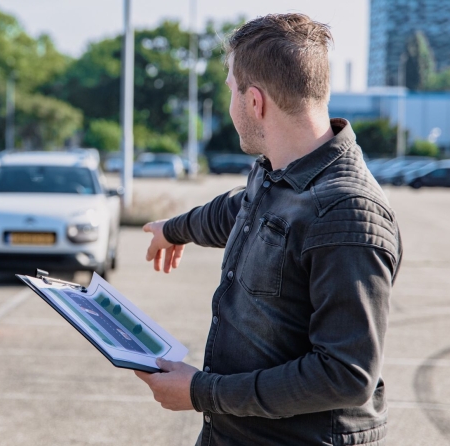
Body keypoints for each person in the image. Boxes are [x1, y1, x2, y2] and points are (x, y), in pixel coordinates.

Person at [136, 14, 402, 446]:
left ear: (255, 101)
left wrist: (201, 392)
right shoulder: (278, 173)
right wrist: (174, 228)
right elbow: (238, 209)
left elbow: (345, 374)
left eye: (230, 91)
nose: (230, 104)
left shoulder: (347, 213)